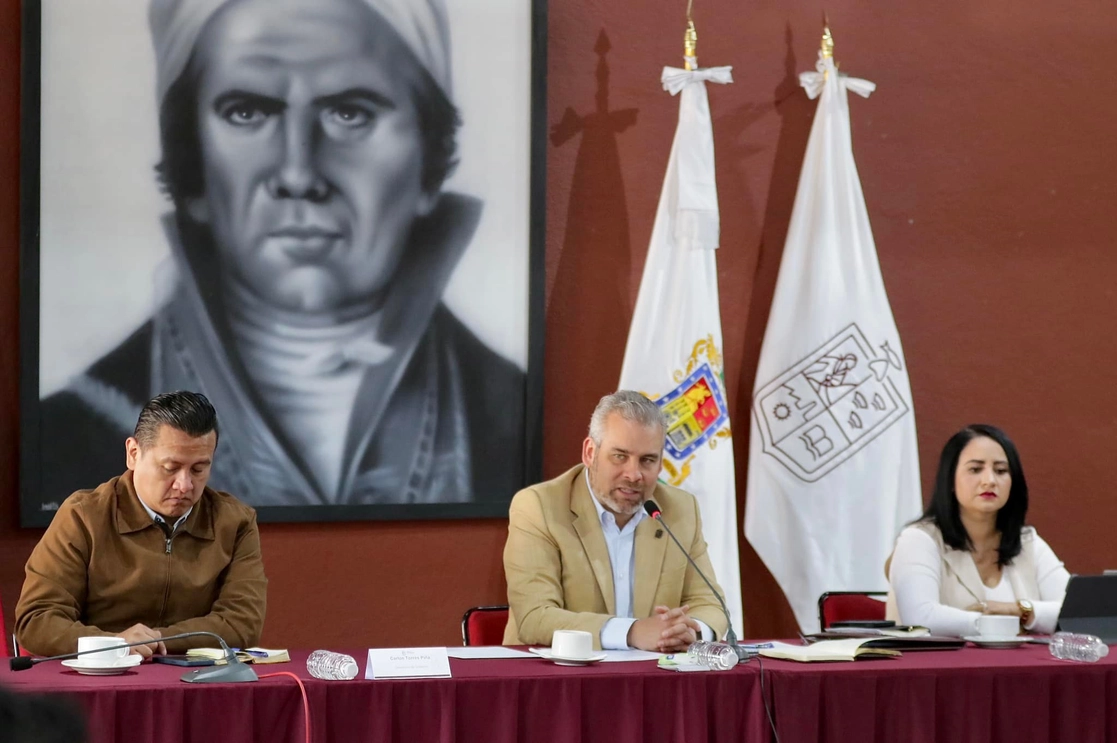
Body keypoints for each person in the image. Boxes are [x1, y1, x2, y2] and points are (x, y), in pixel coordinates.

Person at [37, 0, 523, 510]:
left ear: (429, 158)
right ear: (192, 161)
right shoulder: (75, 433)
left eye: (350, 113)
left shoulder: (509, 421)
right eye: (247, 112)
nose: (298, 174)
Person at [16, 391, 267, 658]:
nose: (185, 485)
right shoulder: (84, 517)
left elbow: (243, 624)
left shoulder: (235, 521)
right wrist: (116, 643)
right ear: (133, 453)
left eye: (198, 469)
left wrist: (157, 640)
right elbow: (37, 621)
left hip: (195, 681)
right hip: (98, 681)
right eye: (170, 467)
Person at [502, 391, 728, 651]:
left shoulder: (680, 510)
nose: (634, 475)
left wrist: (691, 631)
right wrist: (631, 632)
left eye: (647, 460)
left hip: (651, 679)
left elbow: (711, 604)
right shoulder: (539, 507)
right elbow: (535, 617)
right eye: (620, 456)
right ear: (590, 452)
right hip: (558, 680)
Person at [886, 424, 1069, 637]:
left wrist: (1019, 610)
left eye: (1001, 471)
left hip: (1021, 669)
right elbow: (921, 619)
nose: (989, 480)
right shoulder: (919, 539)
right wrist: (1005, 624)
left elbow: (1079, 612)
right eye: (975, 469)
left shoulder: (1027, 542)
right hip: (941, 669)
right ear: (950, 480)